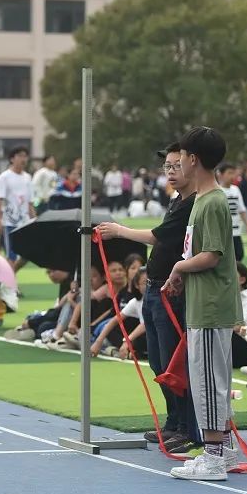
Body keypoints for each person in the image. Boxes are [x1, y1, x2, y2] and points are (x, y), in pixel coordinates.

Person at [97, 143, 200, 453]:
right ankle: (172, 423)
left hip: (172, 291)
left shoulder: (194, 204)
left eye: (176, 165)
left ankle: (184, 426)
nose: (170, 171)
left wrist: (119, 230)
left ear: (192, 165)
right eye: (166, 166)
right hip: (154, 288)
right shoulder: (177, 200)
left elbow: (157, 236)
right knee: (157, 360)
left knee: (172, 361)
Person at [163, 127, 243, 481]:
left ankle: (213, 455)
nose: (177, 161)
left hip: (210, 307)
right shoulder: (203, 200)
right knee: (212, 377)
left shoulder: (211, 202)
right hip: (204, 303)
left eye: (181, 155)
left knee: (209, 380)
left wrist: (179, 266)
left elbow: (211, 255)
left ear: (193, 159)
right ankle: (223, 449)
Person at [0, 145, 35, 271]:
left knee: (27, 255)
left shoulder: (28, 177)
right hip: (10, 222)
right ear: (12, 159)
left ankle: (9, 281)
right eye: (20, 156)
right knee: (11, 256)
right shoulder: (4, 177)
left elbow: (30, 202)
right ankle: (11, 287)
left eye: (25, 156)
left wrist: (35, 219)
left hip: (25, 223)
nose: (23, 159)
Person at [215, 163, 247, 261]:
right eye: (229, 173)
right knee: (224, 258)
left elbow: (241, 209)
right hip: (223, 232)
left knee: (239, 255)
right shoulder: (217, 191)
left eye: (233, 173)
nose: (232, 176)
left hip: (236, 231)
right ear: (220, 174)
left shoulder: (236, 189)